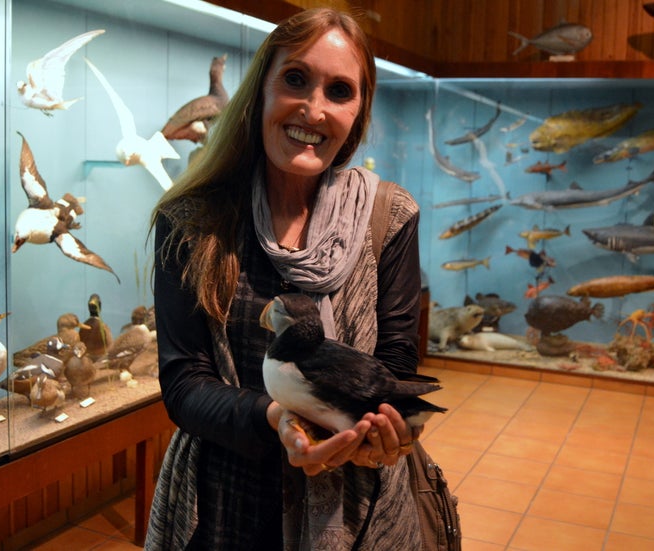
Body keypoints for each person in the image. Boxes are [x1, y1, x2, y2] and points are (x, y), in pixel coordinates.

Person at [146, 7, 424, 550]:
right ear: (261, 92)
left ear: (358, 112)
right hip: (223, 504)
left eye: (340, 91)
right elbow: (184, 383)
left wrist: (384, 431)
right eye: (296, 79)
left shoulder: (389, 218)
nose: (314, 109)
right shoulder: (191, 220)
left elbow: (394, 366)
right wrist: (277, 420)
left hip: (357, 510)